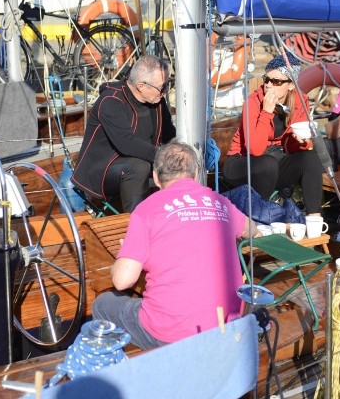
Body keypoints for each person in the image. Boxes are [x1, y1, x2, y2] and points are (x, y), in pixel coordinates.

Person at [91, 141, 261, 350]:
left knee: (103, 304)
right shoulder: (220, 202)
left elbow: (122, 280)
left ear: (155, 176)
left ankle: (125, 374)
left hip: (171, 334)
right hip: (226, 324)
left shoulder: (147, 210)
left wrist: (123, 256)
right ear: (197, 172)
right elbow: (251, 230)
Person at [222, 51, 323, 216]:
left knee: (310, 158)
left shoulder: (299, 101)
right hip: (241, 163)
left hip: (274, 163)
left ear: (290, 85)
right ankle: (258, 219)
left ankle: (315, 220)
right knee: (267, 164)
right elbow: (255, 150)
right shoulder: (253, 103)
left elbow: (295, 146)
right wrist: (266, 113)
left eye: (276, 81)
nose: (268, 85)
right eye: (266, 79)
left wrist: (301, 142)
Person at [72, 55, 176, 212]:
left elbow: (170, 135)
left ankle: (177, 216)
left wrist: (181, 154)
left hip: (142, 161)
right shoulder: (111, 101)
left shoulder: (157, 100)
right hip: (101, 170)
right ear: (141, 86)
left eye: (168, 84)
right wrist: (165, 158)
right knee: (138, 167)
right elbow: (127, 143)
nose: (166, 91)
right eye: (162, 87)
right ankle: (135, 223)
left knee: (178, 160)